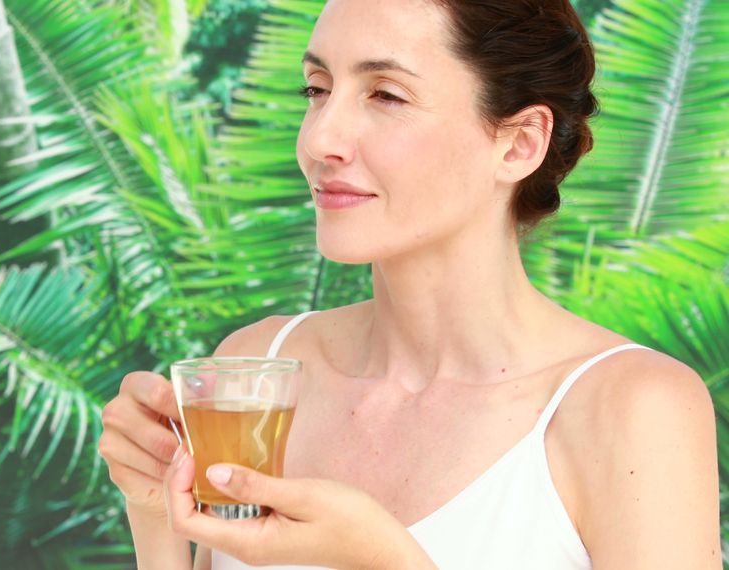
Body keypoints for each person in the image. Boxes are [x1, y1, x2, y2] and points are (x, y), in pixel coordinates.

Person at [97, 0, 721, 567]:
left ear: (519, 145)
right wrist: (154, 512)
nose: (319, 139)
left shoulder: (632, 408)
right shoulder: (256, 367)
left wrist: (390, 559)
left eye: (386, 95)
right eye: (317, 88)